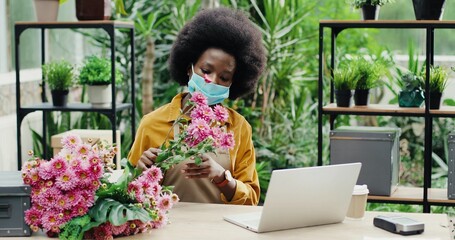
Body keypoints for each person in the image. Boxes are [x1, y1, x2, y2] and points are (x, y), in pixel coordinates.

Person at [127, 7, 266, 205]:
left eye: (224, 77)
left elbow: (251, 199)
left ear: (234, 83)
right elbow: (127, 195)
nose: (211, 80)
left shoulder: (238, 128)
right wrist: (139, 171)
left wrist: (222, 178)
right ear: (189, 69)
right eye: (206, 70)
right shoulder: (152, 123)